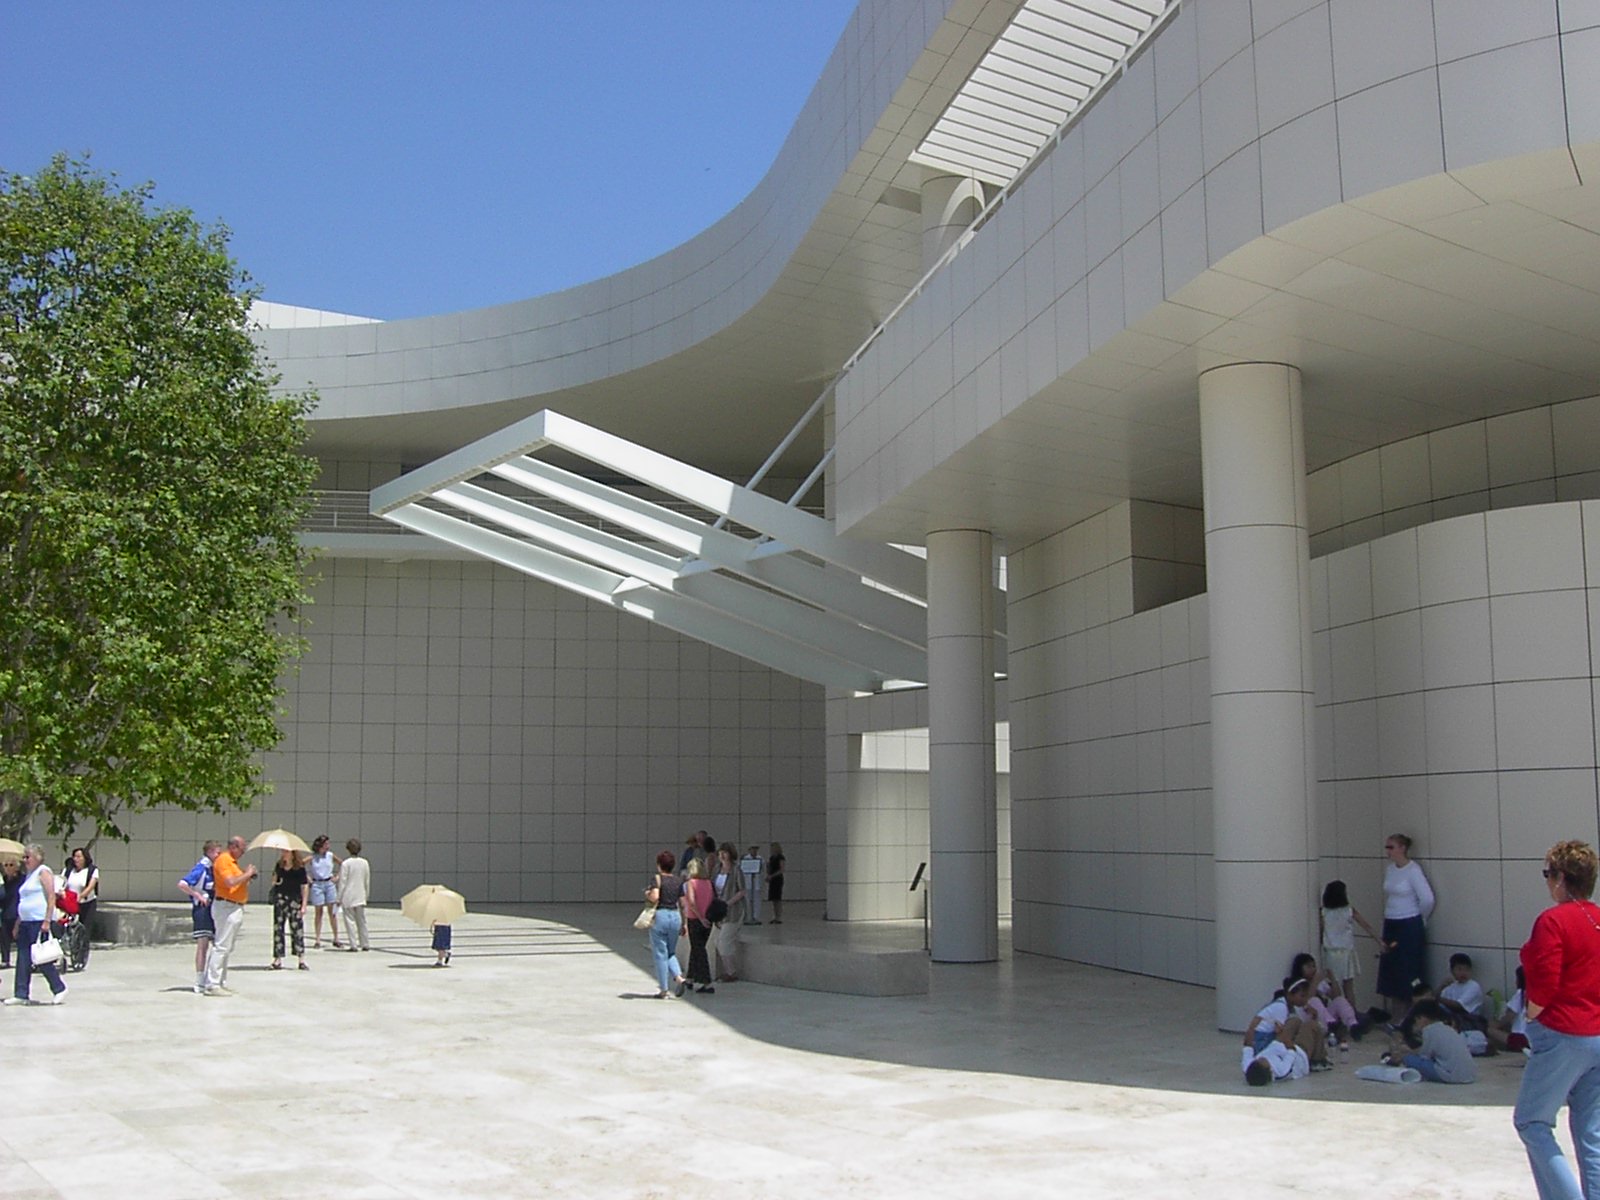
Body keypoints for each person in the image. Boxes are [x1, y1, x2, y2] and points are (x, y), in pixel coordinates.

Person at [1514, 839, 1600, 1199]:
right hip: (1597, 1035)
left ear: (1562, 878)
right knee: (1591, 1133)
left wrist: (1531, 1016)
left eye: (1548, 874)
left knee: (1531, 1122)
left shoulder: (1553, 920)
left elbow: (1545, 983)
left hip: (1563, 1032)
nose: (1548, 881)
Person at [1377, 833, 1434, 1017]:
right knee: (1392, 970)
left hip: (1408, 923)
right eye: (1387, 847)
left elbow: (1427, 899)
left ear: (1402, 848)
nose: (1388, 851)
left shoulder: (1413, 870)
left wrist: (1420, 918)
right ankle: (1396, 1015)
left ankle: (1411, 1016)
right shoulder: (1390, 869)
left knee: (1408, 970)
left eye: (1391, 847)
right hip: (1391, 921)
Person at [4, 845, 66, 1005]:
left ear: (37, 857)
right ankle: (21, 993)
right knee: (23, 958)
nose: (25, 860)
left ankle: (59, 988)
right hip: (26, 921)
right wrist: (18, 923)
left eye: (28, 857)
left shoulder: (43, 872)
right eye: (24, 857)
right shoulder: (29, 875)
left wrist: (47, 920)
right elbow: (25, 901)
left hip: (39, 921)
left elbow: (51, 896)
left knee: (41, 958)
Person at [201, 835, 258, 995]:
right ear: (233, 847)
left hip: (235, 906)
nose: (243, 851)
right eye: (242, 848)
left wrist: (247, 876)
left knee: (227, 947)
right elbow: (230, 882)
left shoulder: (233, 863)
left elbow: (236, 882)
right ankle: (212, 984)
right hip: (226, 906)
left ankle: (220, 981)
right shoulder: (224, 860)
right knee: (221, 946)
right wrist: (247, 873)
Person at [1319, 878, 1381, 1015]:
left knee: (1333, 986)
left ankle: (1338, 1014)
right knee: (1348, 987)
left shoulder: (1324, 912)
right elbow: (1366, 926)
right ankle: (1352, 1015)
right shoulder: (1349, 911)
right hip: (1347, 952)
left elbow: (1321, 932)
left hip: (1330, 953)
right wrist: (1380, 941)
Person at [1387, 999, 1475, 1083]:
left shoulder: (1429, 1030)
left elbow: (1425, 1056)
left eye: (1416, 1020)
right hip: (1469, 1075)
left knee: (1408, 1058)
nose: (1416, 1023)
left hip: (1452, 1076)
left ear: (1422, 1017)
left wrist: (1406, 1054)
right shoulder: (1447, 1028)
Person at [1290, 952, 1360, 1051]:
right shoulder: (1297, 984)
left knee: (1340, 1000)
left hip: (1324, 1017)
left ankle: (1353, 1025)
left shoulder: (1319, 983)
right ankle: (1332, 1025)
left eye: (1314, 966)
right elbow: (1307, 998)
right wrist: (1315, 982)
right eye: (1308, 966)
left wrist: (1333, 979)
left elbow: (1336, 995)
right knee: (1314, 1000)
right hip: (1309, 1017)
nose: (1313, 969)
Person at [177, 840, 222, 993]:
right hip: (202, 909)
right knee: (203, 945)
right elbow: (183, 884)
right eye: (217, 852)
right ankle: (199, 979)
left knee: (217, 945)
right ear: (210, 852)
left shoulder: (213, 869)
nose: (219, 855)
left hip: (213, 908)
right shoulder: (201, 868)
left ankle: (212, 978)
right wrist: (197, 895)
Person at [644, 850, 688, 999]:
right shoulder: (678, 881)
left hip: (661, 916)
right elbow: (683, 903)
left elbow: (655, 897)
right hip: (675, 916)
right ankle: (679, 978)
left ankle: (664, 989)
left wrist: (647, 894)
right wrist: (685, 923)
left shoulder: (657, 879)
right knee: (671, 952)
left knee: (660, 954)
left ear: (659, 865)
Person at [269, 849, 309, 971]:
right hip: (281, 899)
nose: (283, 854)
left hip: (294, 900)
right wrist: (275, 879)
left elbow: (304, 886)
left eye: (286, 852)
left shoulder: (299, 868)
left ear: (292, 854)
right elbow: (274, 882)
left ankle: (301, 959)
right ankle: (277, 959)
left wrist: (304, 905)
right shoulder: (279, 866)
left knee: (297, 929)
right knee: (278, 928)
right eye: (283, 852)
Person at [58, 847, 99, 961]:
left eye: (79, 856)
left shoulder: (92, 870)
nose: (76, 859)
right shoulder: (68, 870)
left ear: (85, 858)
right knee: (65, 925)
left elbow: (90, 887)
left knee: (85, 929)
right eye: (74, 856)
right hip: (70, 902)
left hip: (86, 902)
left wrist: (80, 896)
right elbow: (62, 883)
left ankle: (81, 955)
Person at [712, 843, 745, 983]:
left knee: (724, 942)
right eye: (720, 853)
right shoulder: (717, 869)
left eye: (725, 853)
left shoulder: (736, 870)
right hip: (720, 911)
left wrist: (728, 903)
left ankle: (731, 972)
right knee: (717, 941)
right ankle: (726, 970)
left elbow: (742, 891)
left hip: (733, 911)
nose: (722, 856)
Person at [682, 857, 716, 994]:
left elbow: (691, 902)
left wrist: (700, 917)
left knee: (699, 950)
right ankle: (690, 978)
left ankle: (706, 981)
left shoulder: (691, 883)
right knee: (697, 948)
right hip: (708, 920)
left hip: (695, 919)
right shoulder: (709, 883)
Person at [307, 834, 341, 948]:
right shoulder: (313, 857)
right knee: (319, 912)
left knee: (333, 912)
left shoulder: (330, 855)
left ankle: (336, 938)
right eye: (326, 844)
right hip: (317, 884)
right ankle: (317, 939)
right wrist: (307, 877)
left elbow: (343, 864)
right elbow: (300, 864)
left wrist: (337, 876)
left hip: (329, 883)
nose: (328, 846)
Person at [1439, 952, 1487, 1031]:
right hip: (1454, 1019)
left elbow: (1459, 1006)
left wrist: (1438, 998)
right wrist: (1441, 987)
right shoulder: (1451, 985)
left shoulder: (1474, 986)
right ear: (1452, 971)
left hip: (1470, 1021)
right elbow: (1438, 1003)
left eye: (1467, 969)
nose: (1463, 973)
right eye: (1459, 969)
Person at [338, 838, 371, 951]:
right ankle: (365, 943)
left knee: (350, 921)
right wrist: (366, 894)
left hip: (348, 895)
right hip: (360, 894)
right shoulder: (365, 863)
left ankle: (353, 944)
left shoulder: (346, 863)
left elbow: (342, 882)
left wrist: (339, 897)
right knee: (362, 921)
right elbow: (367, 881)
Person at [1489, 966, 1530, 1054]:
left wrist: (1495, 1024)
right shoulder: (1540, 994)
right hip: (1535, 1038)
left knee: (1489, 1030)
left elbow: (1509, 1016)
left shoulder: (1521, 994)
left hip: (1520, 1038)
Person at [0, 856, 21, 969]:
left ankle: (23, 961)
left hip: (18, 912)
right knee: (4, 937)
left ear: (17, 867)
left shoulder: (22, 879)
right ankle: (5, 959)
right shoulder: (3, 881)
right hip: (6, 912)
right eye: (6, 865)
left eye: (11, 865)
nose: (8, 868)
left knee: (19, 938)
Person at [766, 841, 786, 924]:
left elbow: (781, 870)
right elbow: (770, 869)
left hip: (777, 879)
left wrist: (772, 876)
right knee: (773, 899)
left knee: (778, 898)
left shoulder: (781, 857)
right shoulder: (771, 858)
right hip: (772, 879)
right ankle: (775, 916)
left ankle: (779, 917)